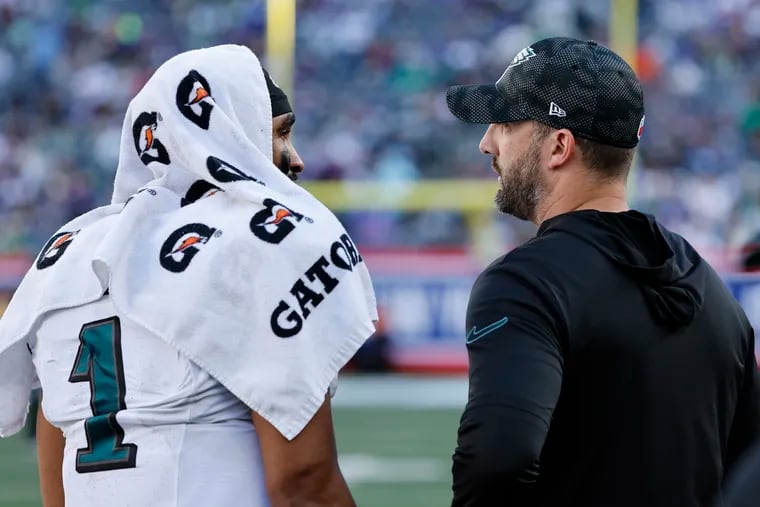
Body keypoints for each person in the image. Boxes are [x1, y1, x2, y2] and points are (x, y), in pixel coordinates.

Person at [0, 44, 378, 507]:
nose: (295, 158)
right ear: (227, 133)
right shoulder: (257, 245)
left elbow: (56, 442)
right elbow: (303, 484)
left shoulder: (71, 252)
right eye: (279, 134)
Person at [445, 37, 760, 507]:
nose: (486, 142)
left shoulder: (525, 283)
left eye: (505, 123)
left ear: (558, 146)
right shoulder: (706, 284)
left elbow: (497, 460)